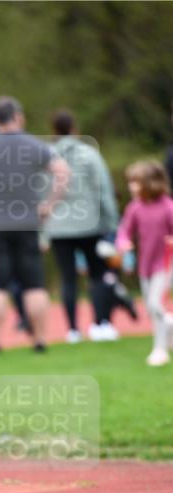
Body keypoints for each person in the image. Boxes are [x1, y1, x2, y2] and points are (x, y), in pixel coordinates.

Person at [0, 96, 69, 352]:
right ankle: (40, 339)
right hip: (29, 223)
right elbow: (63, 173)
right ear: (19, 117)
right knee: (34, 284)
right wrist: (49, 206)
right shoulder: (36, 145)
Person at [44, 109, 120, 343]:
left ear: (54, 131)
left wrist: (42, 232)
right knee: (97, 275)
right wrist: (113, 224)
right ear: (74, 129)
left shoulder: (45, 156)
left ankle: (73, 330)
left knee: (68, 279)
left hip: (58, 227)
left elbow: (39, 195)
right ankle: (100, 324)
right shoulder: (89, 154)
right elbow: (103, 190)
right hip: (90, 225)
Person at [116, 160, 173, 366]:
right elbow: (124, 231)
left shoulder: (168, 207)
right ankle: (167, 337)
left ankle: (159, 350)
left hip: (165, 264)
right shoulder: (135, 208)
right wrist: (124, 243)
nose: (132, 187)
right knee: (152, 309)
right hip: (145, 265)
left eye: (136, 182)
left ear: (151, 183)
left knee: (154, 303)